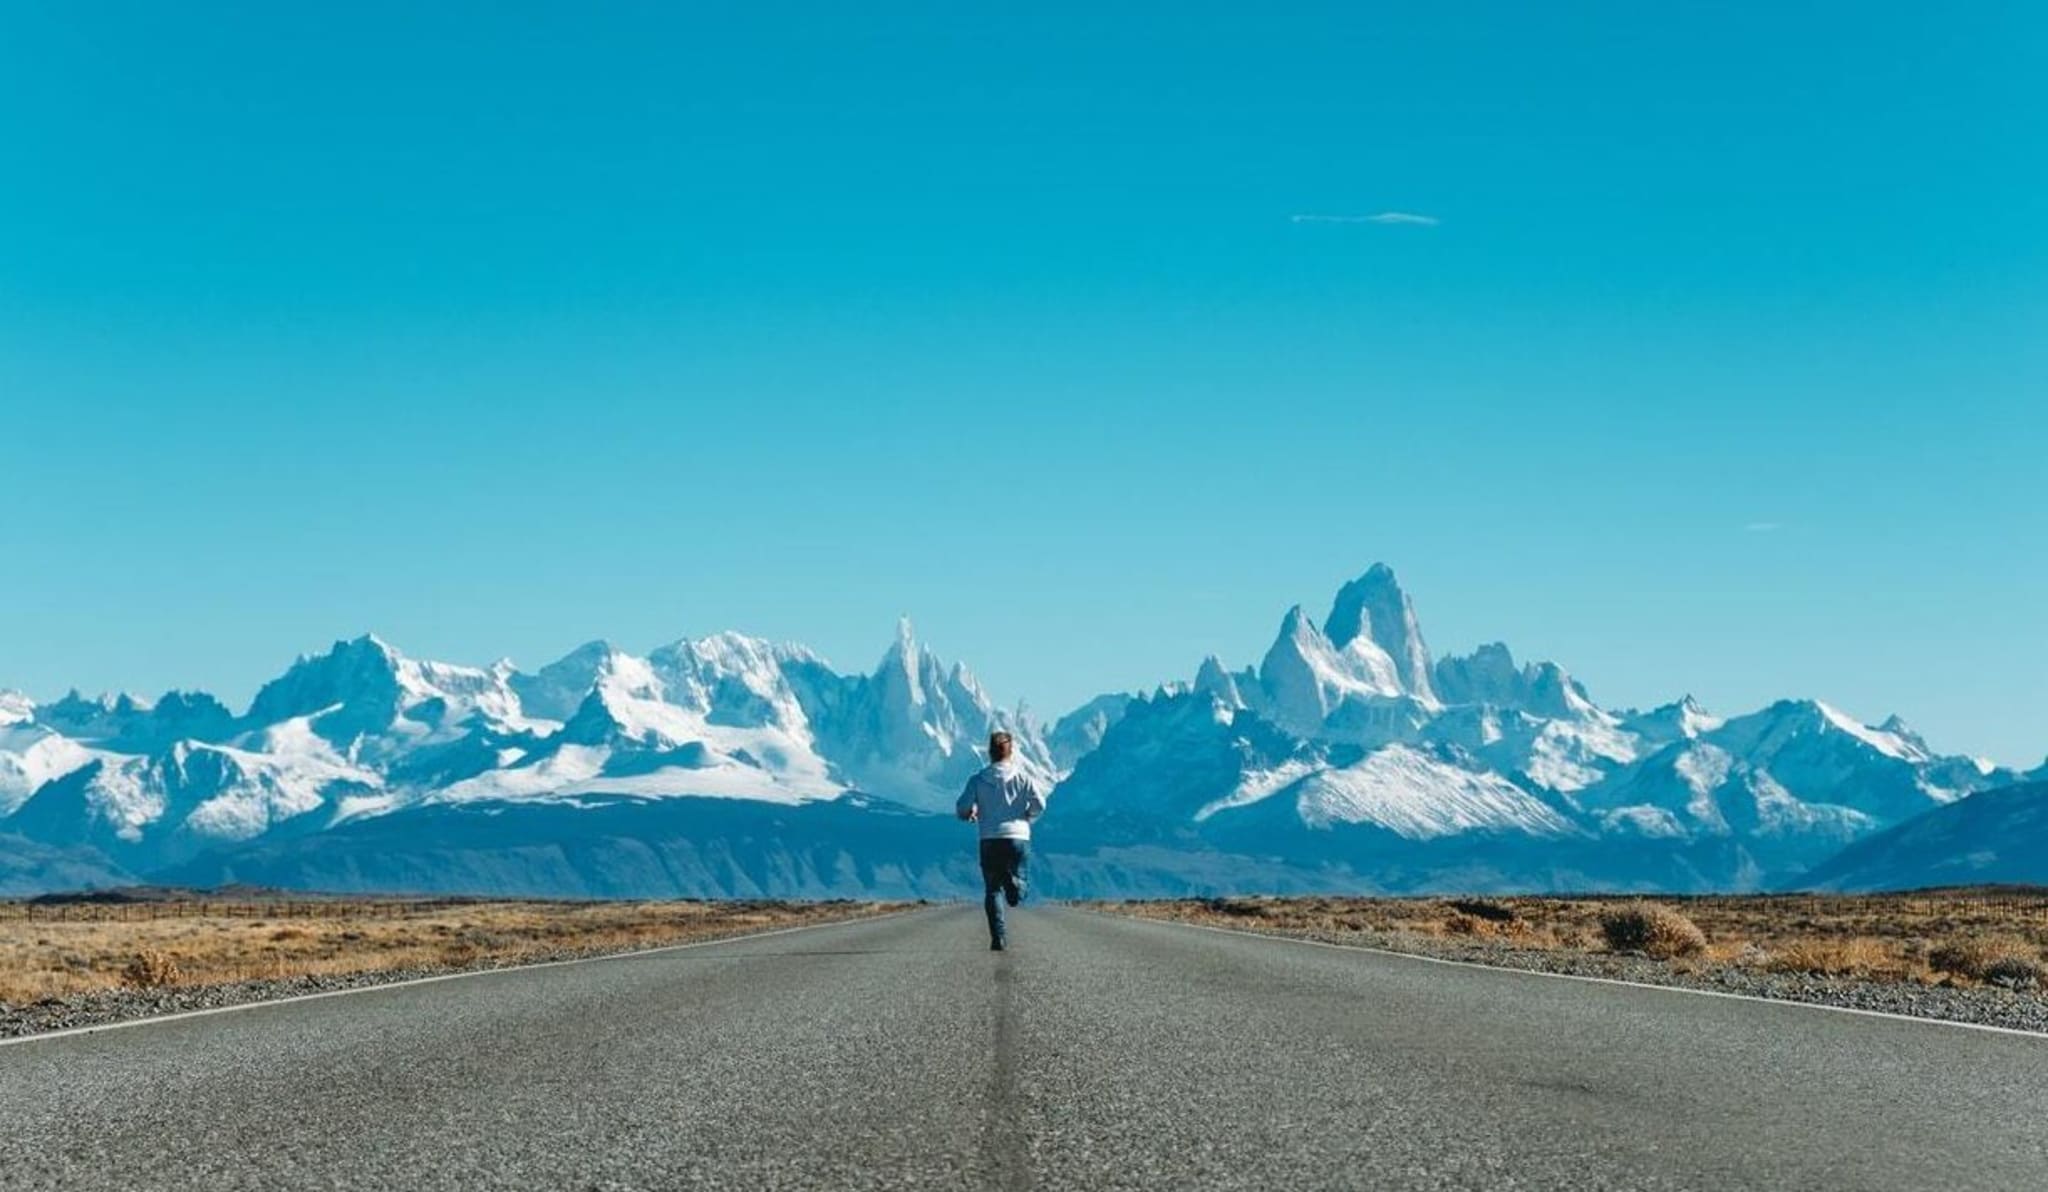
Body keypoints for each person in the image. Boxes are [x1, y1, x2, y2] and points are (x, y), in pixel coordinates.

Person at [955, 729, 1046, 951]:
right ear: (1011, 751)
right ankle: (1013, 883)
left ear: (989, 752)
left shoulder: (977, 780)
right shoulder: (1023, 778)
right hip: (1018, 837)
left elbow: (961, 808)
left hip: (989, 838)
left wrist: (970, 814)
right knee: (1018, 895)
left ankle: (999, 937)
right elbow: (1039, 805)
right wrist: (1027, 816)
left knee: (992, 890)